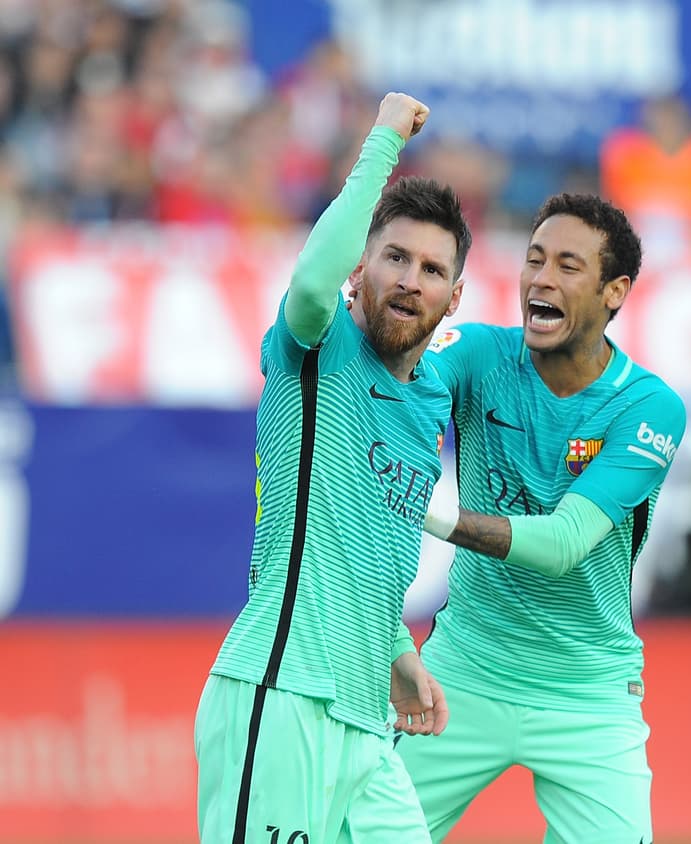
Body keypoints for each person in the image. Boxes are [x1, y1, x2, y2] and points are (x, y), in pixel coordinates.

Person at [194, 92, 471, 844]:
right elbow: (310, 284)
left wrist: (396, 654)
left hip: (366, 725)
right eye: (394, 258)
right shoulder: (317, 347)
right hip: (280, 694)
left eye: (431, 268)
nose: (411, 279)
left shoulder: (426, 406)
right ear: (358, 271)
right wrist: (382, 142)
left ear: (455, 295)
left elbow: (366, 550)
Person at [391, 192, 686, 843]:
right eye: (534, 259)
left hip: (588, 697)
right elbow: (402, 384)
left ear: (615, 291)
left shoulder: (649, 407)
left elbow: (563, 544)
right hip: (462, 673)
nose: (542, 279)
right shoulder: (474, 352)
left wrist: (429, 510)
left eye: (568, 266)